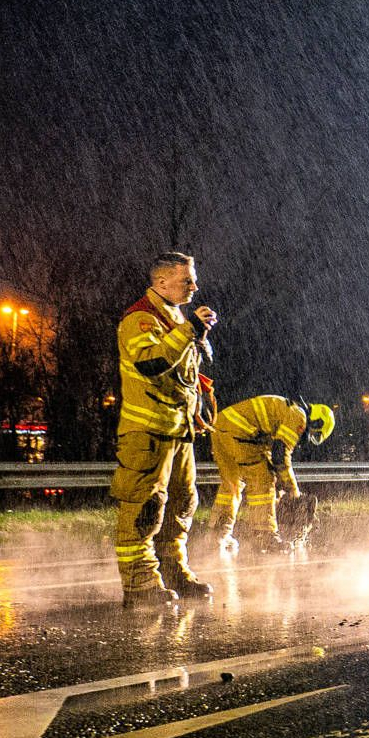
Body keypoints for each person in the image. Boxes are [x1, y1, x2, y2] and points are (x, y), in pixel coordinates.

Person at [108, 251, 217, 607]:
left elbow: (184, 375)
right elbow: (151, 362)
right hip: (147, 432)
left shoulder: (176, 318)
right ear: (161, 282)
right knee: (144, 508)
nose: (194, 287)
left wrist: (196, 335)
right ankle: (140, 585)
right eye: (187, 280)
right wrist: (190, 330)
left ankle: (173, 572)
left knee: (181, 506)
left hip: (178, 432)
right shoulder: (140, 318)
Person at [207, 395, 333, 553]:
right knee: (264, 480)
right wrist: (293, 490)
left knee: (232, 484)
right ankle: (265, 536)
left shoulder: (286, 408)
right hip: (242, 432)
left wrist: (283, 486)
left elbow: (273, 452)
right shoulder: (298, 416)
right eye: (314, 433)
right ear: (316, 421)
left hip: (220, 427)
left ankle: (218, 535)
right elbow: (280, 455)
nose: (307, 436)